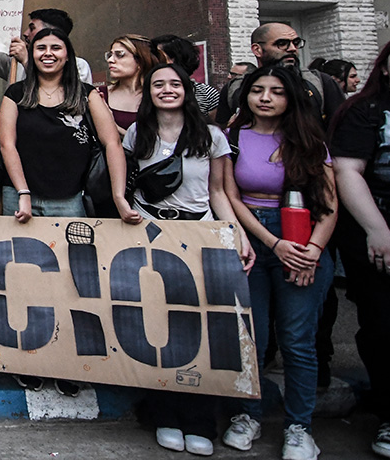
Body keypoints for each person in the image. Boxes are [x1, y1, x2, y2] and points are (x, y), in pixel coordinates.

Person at [114, 63, 253, 455]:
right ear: (149, 92)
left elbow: (219, 192)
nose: (167, 90)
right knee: (156, 325)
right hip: (152, 233)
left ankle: (199, 420)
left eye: (175, 84)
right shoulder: (137, 133)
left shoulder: (211, 136)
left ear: (186, 90)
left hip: (199, 233)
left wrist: (236, 234)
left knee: (199, 328)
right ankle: (164, 415)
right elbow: (127, 183)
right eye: (158, 84)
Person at [0, 26, 125, 396]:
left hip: (69, 200)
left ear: (68, 54)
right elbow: (7, 145)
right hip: (20, 197)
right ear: (32, 53)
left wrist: (119, 197)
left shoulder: (86, 95)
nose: (48, 53)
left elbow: (112, 143)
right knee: (24, 281)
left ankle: (67, 362)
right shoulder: (16, 94)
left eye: (56, 47)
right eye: (41, 47)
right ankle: (28, 360)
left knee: (72, 284)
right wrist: (22, 191)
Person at [220, 65, 337, 460]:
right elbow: (231, 197)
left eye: (276, 91)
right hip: (252, 238)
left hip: (303, 241)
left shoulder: (309, 140)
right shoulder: (233, 137)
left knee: (297, 340)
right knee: (250, 338)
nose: (265, 98)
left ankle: (299, 428)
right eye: (257, 90)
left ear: (292, 97)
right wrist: (271, 242)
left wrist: (312, 251)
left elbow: (329, 205)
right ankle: (247, 415)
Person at [329, 36, 390, 459]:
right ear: (384, 65)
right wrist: (377, 230)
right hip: (379, 234)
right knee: (385, 326)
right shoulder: (364, 110)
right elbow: (347, 172)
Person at [216, 23, 346, 127]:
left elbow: (342, 129)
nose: (292, 49)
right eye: (282, 43)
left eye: (296, 43)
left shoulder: (320, 82)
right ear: (257, 50)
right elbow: (223, 134)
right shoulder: (236, 88)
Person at [0, 8, 94, 86]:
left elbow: (60, 96)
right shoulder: (16, 63)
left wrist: (26, 62)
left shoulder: (78, 66)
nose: (25, 33)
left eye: (32, 28)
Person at [149, 34, 219, 117]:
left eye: (159, 57)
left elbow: (215, 123)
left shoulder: (206, 94)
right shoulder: (144, 92)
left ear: (176, 59)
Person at [100, 34, 153, 135]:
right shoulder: (100, 94)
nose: (110, 60)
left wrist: (112, 125)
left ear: (140, 61)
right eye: (110, 55)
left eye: (119, 55)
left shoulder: (156, 95)